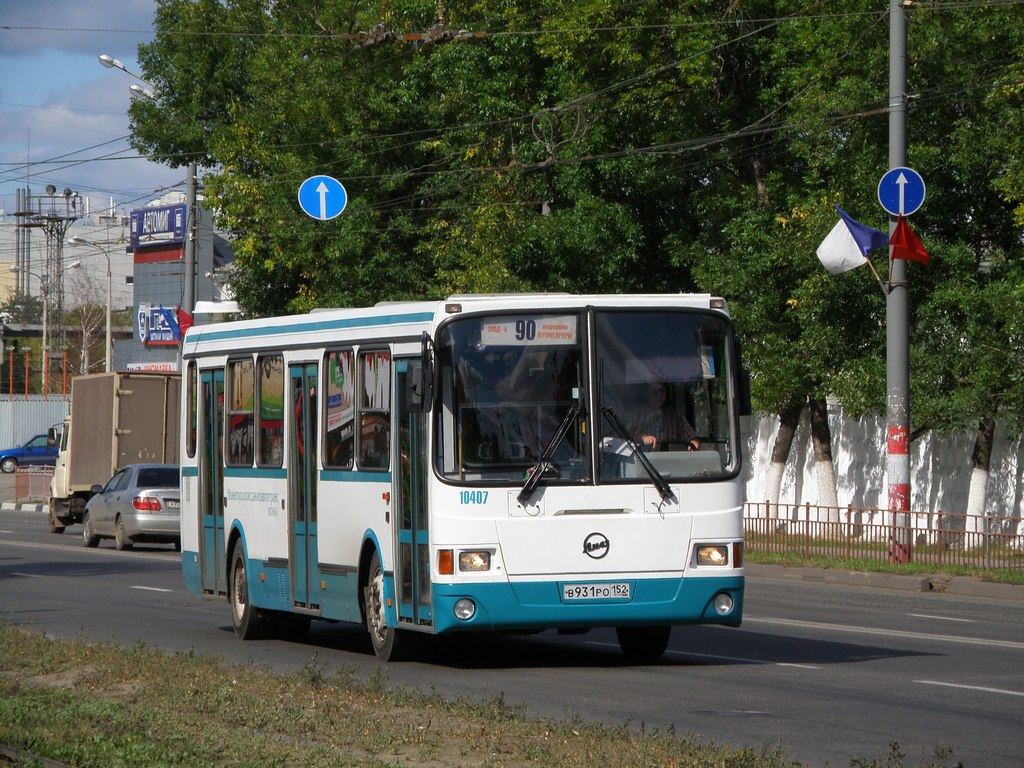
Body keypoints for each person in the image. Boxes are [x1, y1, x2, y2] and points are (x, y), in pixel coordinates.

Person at [627, 382, 700, 451]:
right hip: (644, 461)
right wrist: (643, 437)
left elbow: (692, 438)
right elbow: (629, 436)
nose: (659, 395)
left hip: (672, 462)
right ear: (645, 393)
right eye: (655, 391)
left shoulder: (675, 415)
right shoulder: (635, 414)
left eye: (661, 391)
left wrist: (694, 443)